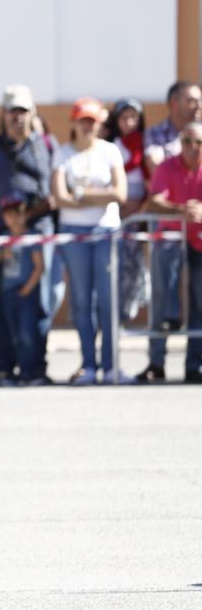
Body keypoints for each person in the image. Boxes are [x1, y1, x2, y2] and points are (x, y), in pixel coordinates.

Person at [0, 85, 57, 385]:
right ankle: (5, 367)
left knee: (37, 303)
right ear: (4, 114)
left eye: (23, 111)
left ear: (31, 114)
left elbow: (53, 194)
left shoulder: (45, 145)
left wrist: (28, 216)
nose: (17, 117)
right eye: (12, 111)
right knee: (1, 303)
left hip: (36, 233)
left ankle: (35, 368)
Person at [51, 98, 128, 384]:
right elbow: (60, 198)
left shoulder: (110, 152)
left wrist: (81, 194)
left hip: (106, 231)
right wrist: (99, 193)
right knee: (82, 300)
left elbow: (119, 194)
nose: (87, 126)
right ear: (74, 122)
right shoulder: (62, 153)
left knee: (107, 301)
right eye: (82, 120)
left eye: (92, 121)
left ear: (99, 124)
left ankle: (110, 366)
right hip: (74, 232)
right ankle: (89, 364)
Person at [138, 81, 202, 382]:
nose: (193, 148)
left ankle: (194, 365)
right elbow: (156, 199)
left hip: (199, 242)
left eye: (199, 143)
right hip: (170, 240)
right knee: (161, 300)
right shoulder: (167, 165)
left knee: (201, 303)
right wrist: (182, 210)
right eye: (188, 142)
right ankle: (157, 363)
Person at [0, 194, 48, 386]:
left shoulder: (32, 238)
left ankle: (30, 372)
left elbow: (40, 267)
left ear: (25, 215)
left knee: (27, 334)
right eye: (8, 215)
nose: (13, 219)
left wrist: (27, 288)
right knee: (11, 333)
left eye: (17, 214)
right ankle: (12, 370)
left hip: (26, 293)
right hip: (8, 292)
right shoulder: (5, 239)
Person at [104, 97, 149, 323]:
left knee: (133, 262)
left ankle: (128, 306)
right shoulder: (111, 145)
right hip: (115, 209)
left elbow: (138, 164)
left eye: (134, 117)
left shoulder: (140, 141)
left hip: (136, 208)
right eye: (124, 117)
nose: (129, 122)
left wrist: (139, 206)